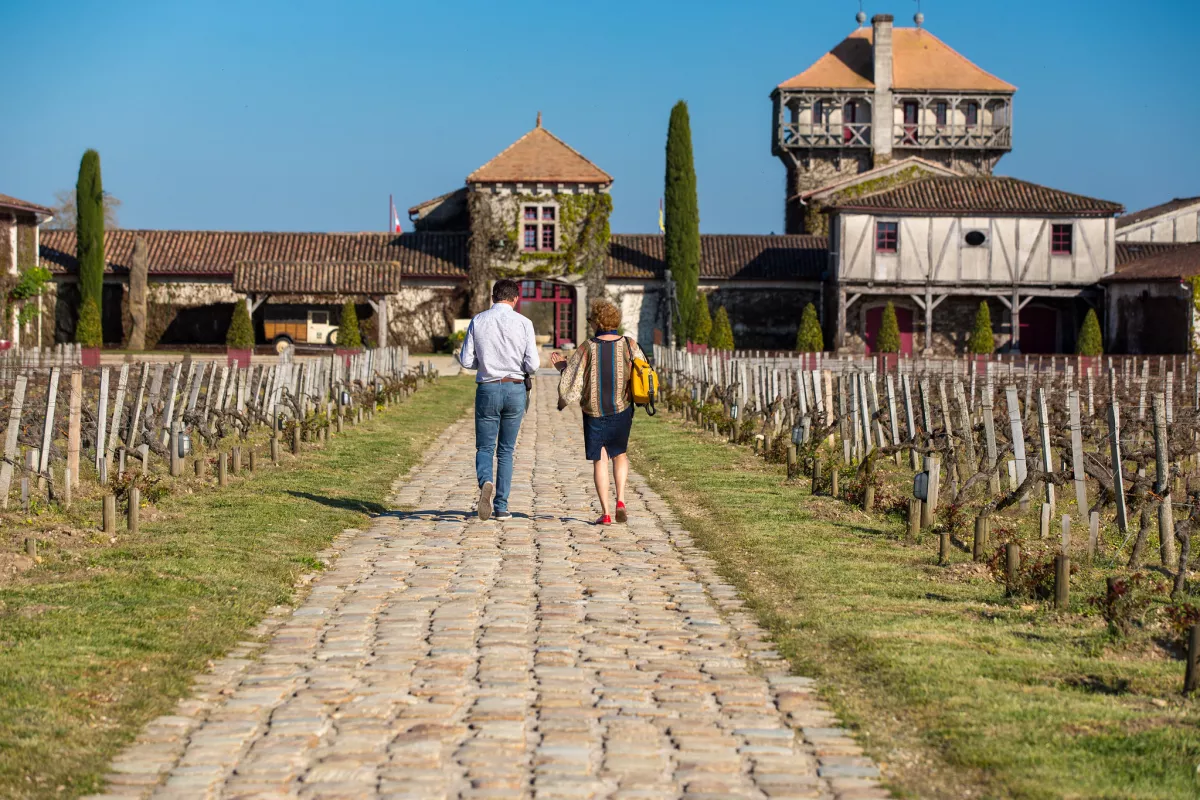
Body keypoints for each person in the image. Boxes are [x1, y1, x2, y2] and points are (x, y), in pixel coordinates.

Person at [550, 299, 646, 525]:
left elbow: (572, 381)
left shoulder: (587, 347)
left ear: (597, 322)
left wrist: (561, 368)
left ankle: (605, 513)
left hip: (594, 410)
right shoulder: (630, 344)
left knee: (600, 460)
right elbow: (644, 370)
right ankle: (621, 499)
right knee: (620, 454)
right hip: (622, 408)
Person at [458, 279, 539, 521]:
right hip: (514, 389)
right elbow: (533, 364)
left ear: (493, 297)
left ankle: (486, 481)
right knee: (506, 450)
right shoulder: (524, 323)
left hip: (488, 387)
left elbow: (465, 360)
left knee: (484, 446)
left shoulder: (479, 320)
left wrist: (483, 364)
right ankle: (502, 506)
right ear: (515, 299)